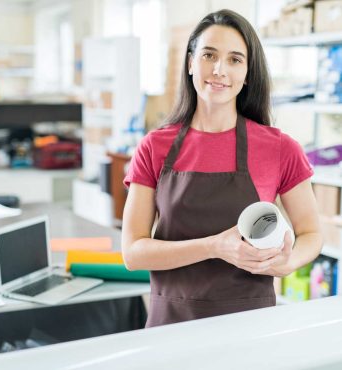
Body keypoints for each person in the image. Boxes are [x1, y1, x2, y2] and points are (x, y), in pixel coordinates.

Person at [122, 9, 323, 328]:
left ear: (247, 73)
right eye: (208, 55)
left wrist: (289, 262)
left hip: (250, 327)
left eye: (234, 60)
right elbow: (133, 252)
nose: (219, 70)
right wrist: (215, 246)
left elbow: (311, 233)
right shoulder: (154, 146)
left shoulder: (280, 147)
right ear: (190, 63)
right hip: (171, 325)